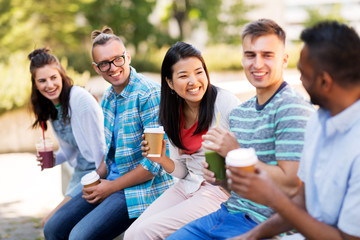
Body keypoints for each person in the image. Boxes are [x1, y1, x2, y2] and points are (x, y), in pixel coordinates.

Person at [166, 19, 314, 240]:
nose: (257, 63)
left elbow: (292, 184)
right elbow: (237, 188)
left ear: (284, 60)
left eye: (267, 55)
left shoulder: (293, 109)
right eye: (250, 55)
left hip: (269, 226)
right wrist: (220, 178)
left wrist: (235, 151)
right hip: (228, 213)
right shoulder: (240, 113)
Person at [228, 21, 360, 240]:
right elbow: (303, 202)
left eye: (302, 72)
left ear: (324, 81)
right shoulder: (319, 121)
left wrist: (272, 197)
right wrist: (250, 237)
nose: (298, 79)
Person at [43, 26, 174, 240]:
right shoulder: (109, 96)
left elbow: (154, 166)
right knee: (53, 227)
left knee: (79, 236)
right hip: (112, 181)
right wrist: (96, 179)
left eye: (117, 59)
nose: (113, 67)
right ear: (97, 68)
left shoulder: (149, 95)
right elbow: (110, 154)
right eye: (105, 63)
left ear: (127, 57)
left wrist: (110, 187)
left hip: (141, 190)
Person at [124, 41, 240, 239]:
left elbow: (250, 153)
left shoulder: (225, 103)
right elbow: (184, 171)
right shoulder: (171, 113)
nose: (193, 81)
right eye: (183, 76)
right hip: (188, 186)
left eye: (199, 72)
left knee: (146, 232)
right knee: (132, 234)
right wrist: (162, 159)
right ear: (169, 82)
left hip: (219, 188)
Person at [28, 48, 105, 226]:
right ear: (35, 84)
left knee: (51, 223)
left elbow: (101, 147)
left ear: (61, 75)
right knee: (54, 225)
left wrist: (99, 183)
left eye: (53, 78)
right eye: (42, 80)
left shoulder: (80, 100)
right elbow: (70, 149)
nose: (49, 85)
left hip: (97, 173)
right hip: (80, 172)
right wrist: (52, 160)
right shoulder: (51, 108)